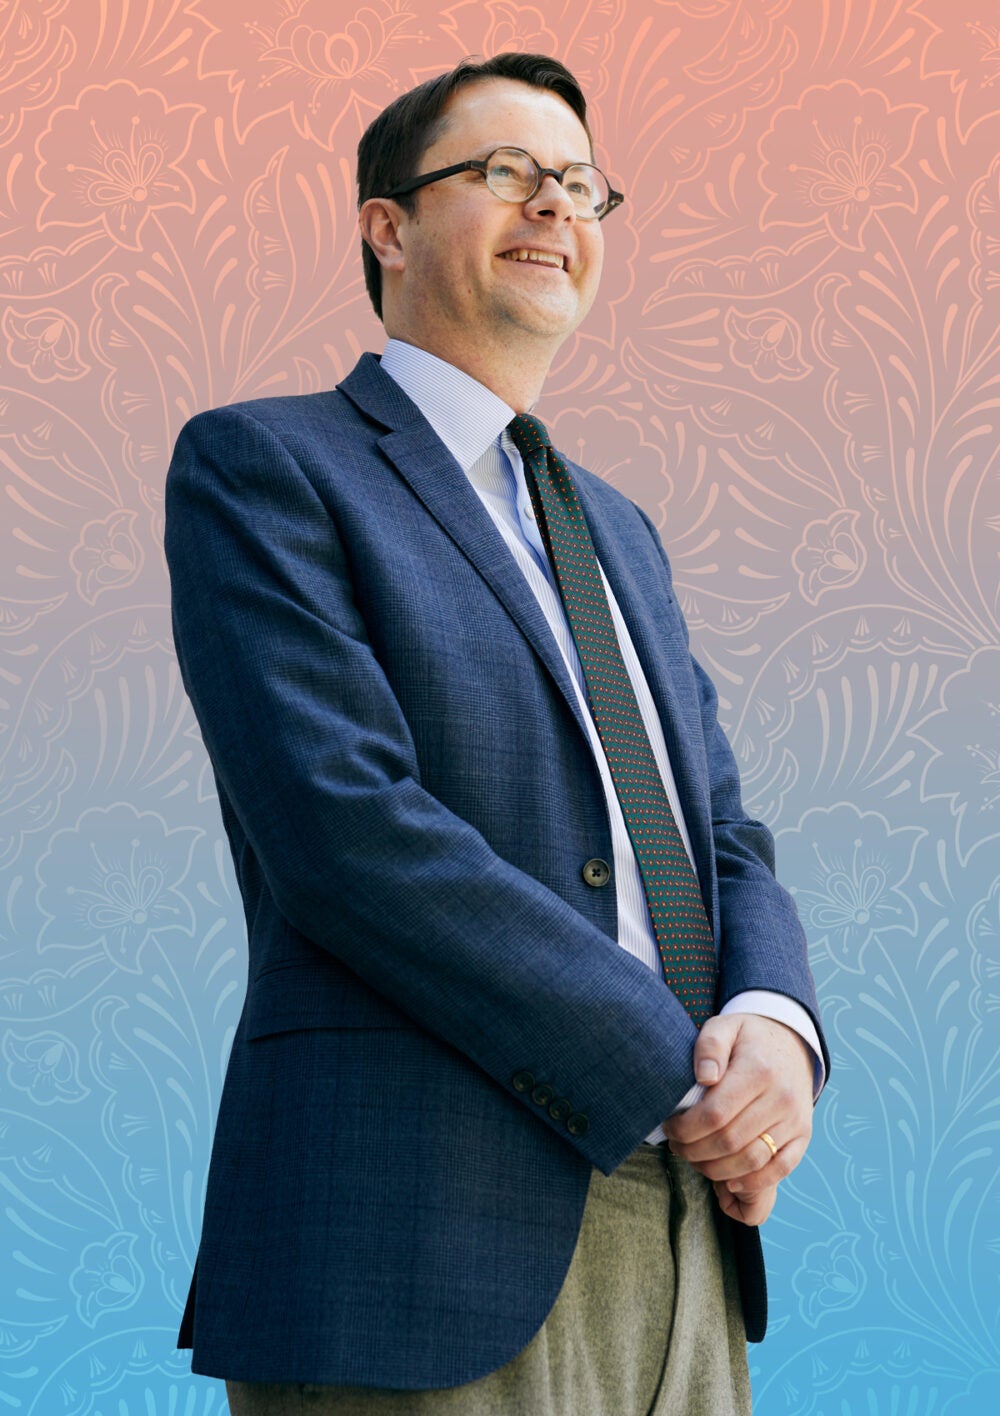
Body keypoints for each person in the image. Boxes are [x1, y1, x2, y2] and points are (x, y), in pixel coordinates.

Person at [164, 51, 828, 1416]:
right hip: (414, 1237)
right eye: (507, 173)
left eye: (581, 185)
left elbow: (719, 834)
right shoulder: (268, 465)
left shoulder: (621, 533)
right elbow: (344, 827)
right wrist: (669, 1064)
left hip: (688, 1231)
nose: (555, 208)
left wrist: (772, 1031)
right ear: (388, 226)